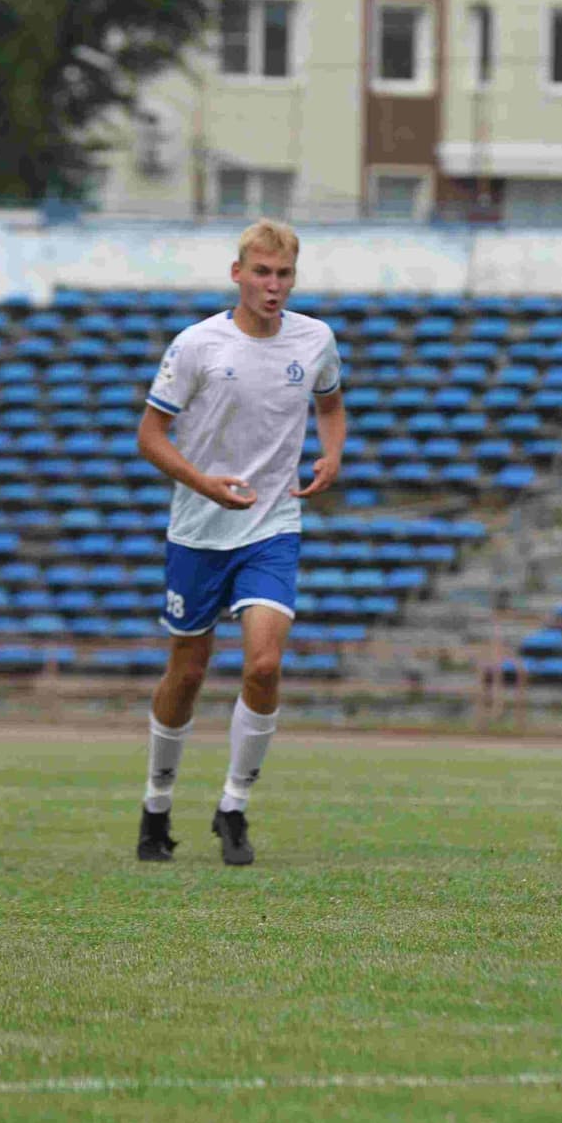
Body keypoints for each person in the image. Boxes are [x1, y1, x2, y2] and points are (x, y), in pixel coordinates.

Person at [133, 218, 344, 866]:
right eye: (261, 272)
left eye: (283, 274)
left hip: (271, 527)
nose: (273, 285)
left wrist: (331, 454)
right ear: (237, 274)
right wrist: (205, 484)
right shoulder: (197, 345)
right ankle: (156, 805)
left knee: (264, 665)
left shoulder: (315, 340)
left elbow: (330, 404)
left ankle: (233, 806)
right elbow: (150, 436)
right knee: (187, 673)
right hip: (198, 531)